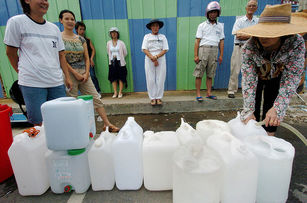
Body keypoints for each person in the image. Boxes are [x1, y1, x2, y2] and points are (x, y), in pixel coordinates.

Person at [238, 4, 307, 136]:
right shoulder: (249, 47)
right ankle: (252, 137)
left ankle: (269, 139)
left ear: (283, 34)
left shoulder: (296, 44)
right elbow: (248, 82)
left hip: (278, 75)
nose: (263, 37)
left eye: (270, 34)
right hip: (257, 76)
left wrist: (277, 108)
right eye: (262, 33)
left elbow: (291, 79)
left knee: (272, 108)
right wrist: (248, 111)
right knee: (253, 108)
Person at [4, 0, 72, 126]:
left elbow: (61, 55)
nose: (44, 2)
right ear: (27, 1)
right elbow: (11, 53)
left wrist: (67, 77)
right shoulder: (16, 22)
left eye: (46, 0)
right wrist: (24, 73)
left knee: (59, 120)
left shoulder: (54, 28)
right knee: (39, 123)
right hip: (32, 84)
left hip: (56, 82)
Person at [59, 10, 119, 132]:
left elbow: (87, 57)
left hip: (84, 75)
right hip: (69, 76)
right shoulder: (59, 38)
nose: (70, 21)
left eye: (72, 19)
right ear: (61, 20)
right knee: (72, 103)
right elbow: (61, 59)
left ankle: (107, 124)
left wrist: (86, 73)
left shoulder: (81, 39)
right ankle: (75, 130)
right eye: (67, 19)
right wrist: (74, 73)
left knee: (96, 99)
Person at [193, 1, 224, 101]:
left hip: (214, 50)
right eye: (211, 12)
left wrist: (221, 55)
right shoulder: (201, 25)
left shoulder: (220, 26)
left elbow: (221, 41)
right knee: (199, 73)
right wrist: (195, 55)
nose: (213, 14)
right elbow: (197, 41)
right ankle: (198, 94)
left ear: (218, 13)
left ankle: (209, 93)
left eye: (215, 12)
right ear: (207, 13)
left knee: (211, 74)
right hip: (203, 49)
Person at [227, 0, 258, 98]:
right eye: (250, 5)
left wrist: (247, 35)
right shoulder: (239, 21)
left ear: (256, 8)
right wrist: (253, 35)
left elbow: (260, 36)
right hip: (239, 47)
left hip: (253, 48)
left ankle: (247, 91)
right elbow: (238, 35)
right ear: (246, 7)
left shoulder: (258, 21)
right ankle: (231, 90)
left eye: (253, 6)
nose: (251, 7)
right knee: (235, 69)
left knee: (251, 71)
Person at [142, 19, 169, 106]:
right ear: (150, 27)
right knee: (150, 78)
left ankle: (159, 97)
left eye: (157, 26)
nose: (155, 27)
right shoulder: (146, 37)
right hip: (149, 59)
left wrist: (156, 57)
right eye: (153, 26)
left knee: (160, 78)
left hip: (160, 58)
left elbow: (165, 49)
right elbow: (144, 49)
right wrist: (152, 58)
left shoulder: (163, 37)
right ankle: (152, 97)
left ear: (159, 27)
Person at [75, 21, 101, 94]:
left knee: (92, 76)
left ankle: (98, 91)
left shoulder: (88, 40)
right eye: (80, 29)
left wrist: (91, 58)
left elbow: (93, 50)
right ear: (76, 30)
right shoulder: (74, 40)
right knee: (80, 78)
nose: (82, 31)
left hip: (88, 62)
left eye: (83, 29)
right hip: (78, 63)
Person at [107, 27, 128, 99]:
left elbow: (125, 53)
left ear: (117, 33)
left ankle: (120, 92)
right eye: (112, 33)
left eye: (115, 32)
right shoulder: (109, 43)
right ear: (110, 34)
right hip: (112, 62)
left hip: (120, 62)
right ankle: (115, 92)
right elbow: (108, 52)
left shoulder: (121, 43)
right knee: (113, 77)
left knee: (121, 77)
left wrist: (120, 57)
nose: (113, 34)